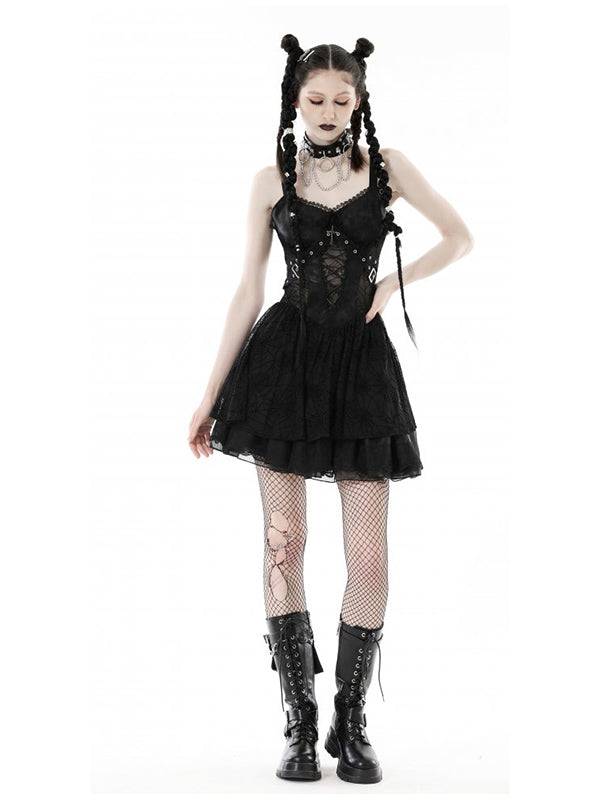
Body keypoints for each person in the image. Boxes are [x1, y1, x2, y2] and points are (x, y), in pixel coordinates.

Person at [188, 35, 474, 784]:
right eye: (314, 99)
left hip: (362, 375)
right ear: (295, 100)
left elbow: (461, 237)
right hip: (282, 372)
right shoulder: (269, 180)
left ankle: (350, 721)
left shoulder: (387, 169)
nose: (327, 111)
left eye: (341, 100)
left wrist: (391, 285)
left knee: (369, 556)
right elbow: (248, 291)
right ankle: (298, 718)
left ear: (358, 101)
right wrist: (209, 395)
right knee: (283, 544)